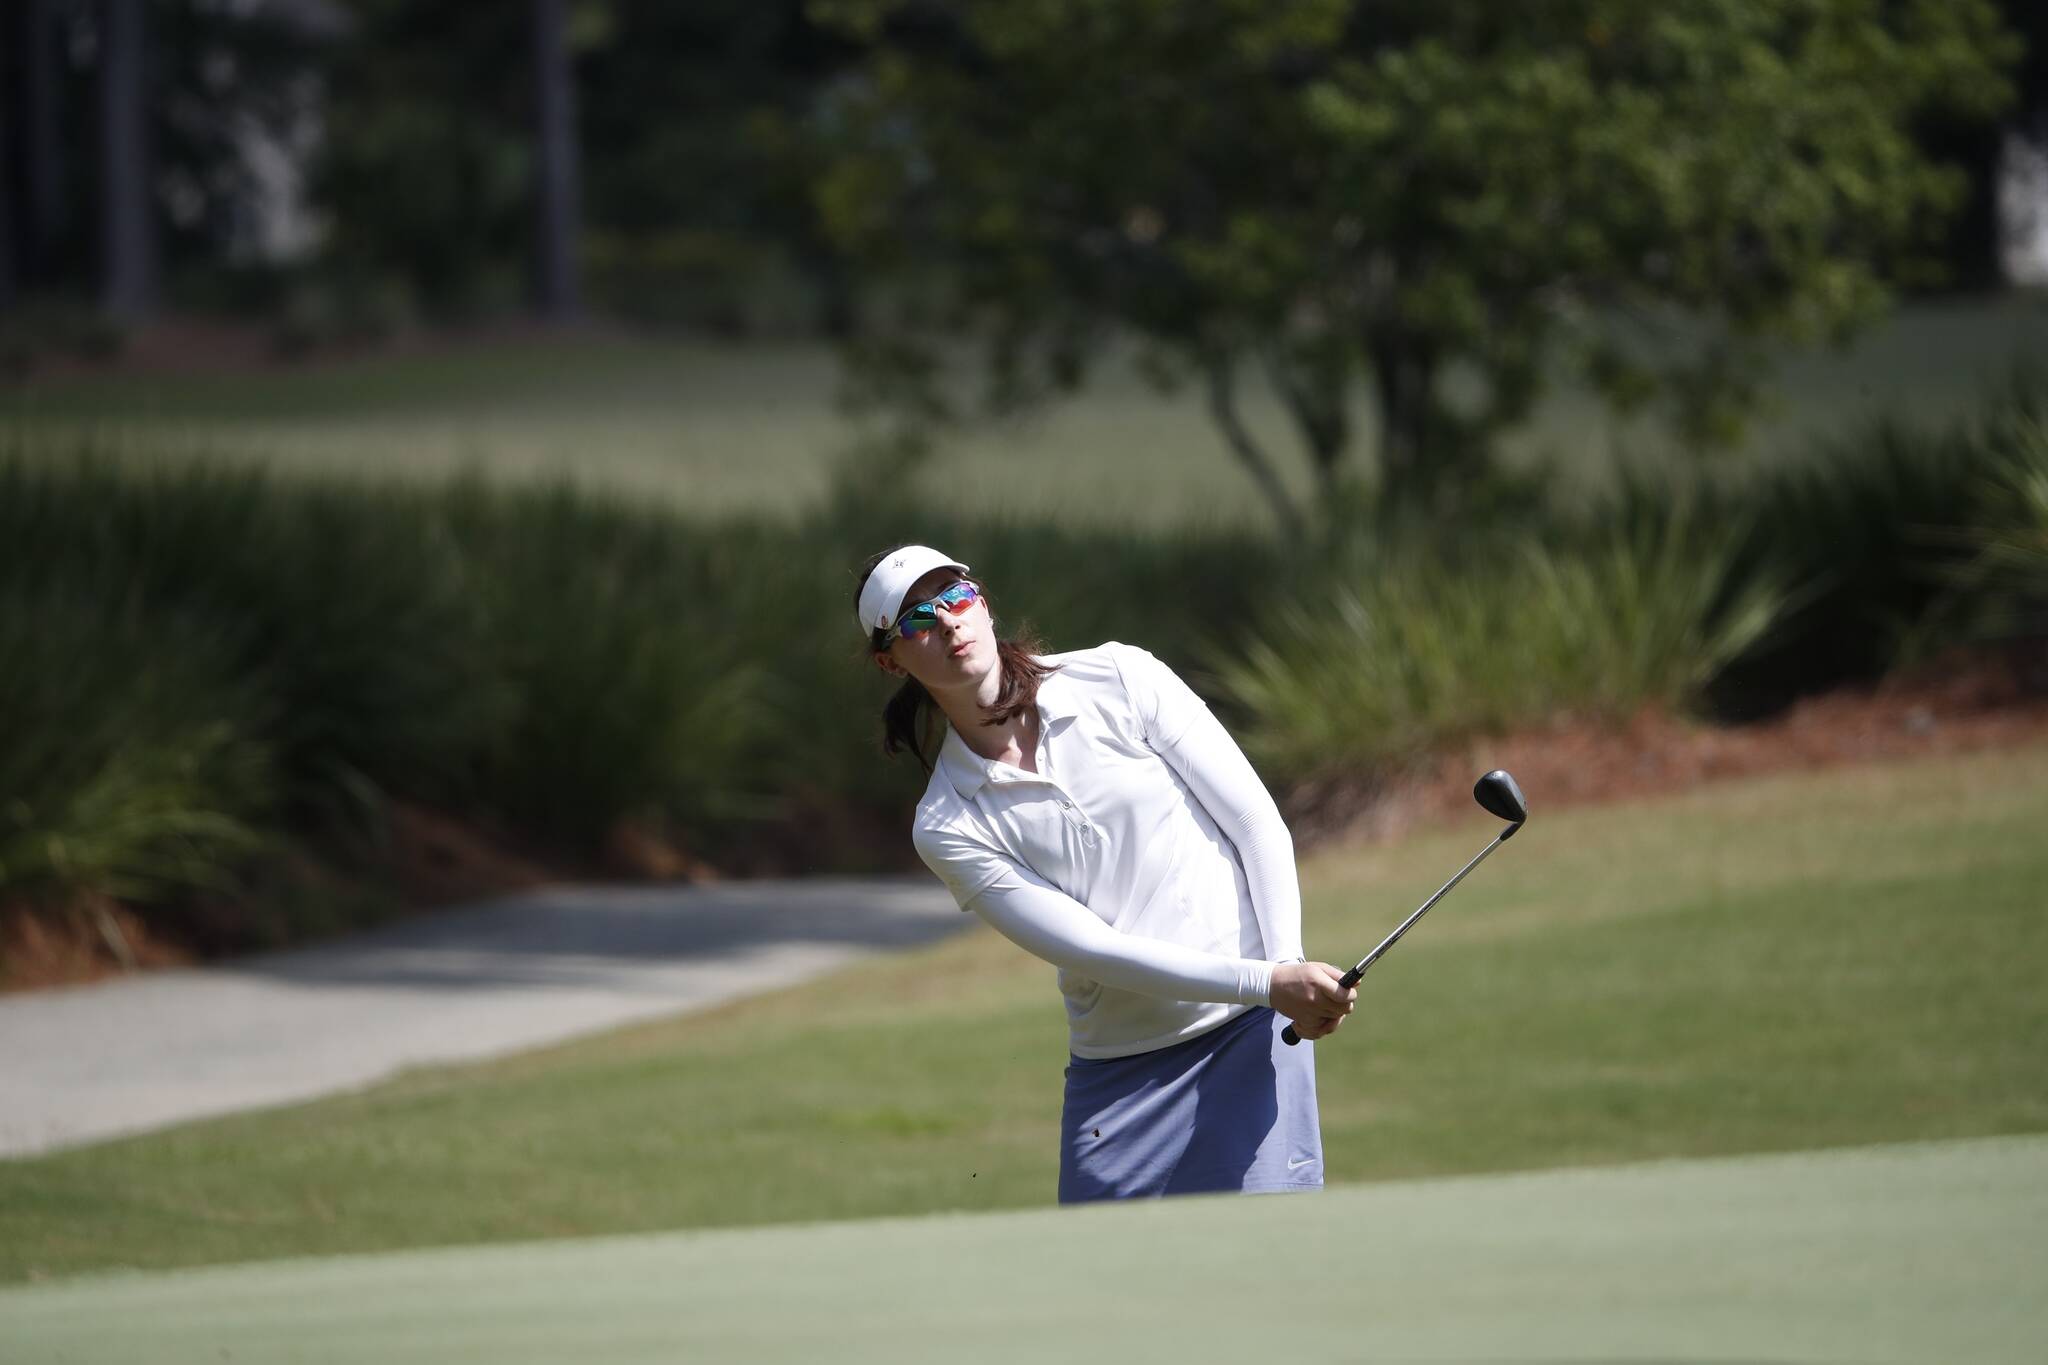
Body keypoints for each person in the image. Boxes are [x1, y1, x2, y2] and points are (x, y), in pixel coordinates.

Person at [857, 544, 1357, 1202]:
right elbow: (1096, 949)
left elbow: (1256, 821)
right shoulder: (948, 822)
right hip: (1121, 1081)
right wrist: (1271, 981)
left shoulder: (1120, 676)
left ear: (981, 600)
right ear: (890, 658)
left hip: (1252, 1035)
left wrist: (1285, 969)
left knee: (1265, 1286)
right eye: (919, 616)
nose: (948, 621)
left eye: (955, 595)